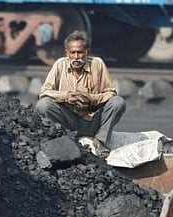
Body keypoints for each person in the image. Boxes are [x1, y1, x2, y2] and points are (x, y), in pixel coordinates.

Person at [35, 30, 125, 159]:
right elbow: (44, 92)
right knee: (43, 105)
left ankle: (101, 141)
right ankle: (65, 138)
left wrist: (91, 98)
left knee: (118, 102)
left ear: (87, 52)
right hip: (69, 121)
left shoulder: (97, 64)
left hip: (93, 120)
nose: (76, 56)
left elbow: (111, 93)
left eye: (80, 52)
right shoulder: (60, 65)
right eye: (73, 52)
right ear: (67, 53)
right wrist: (66, 97)